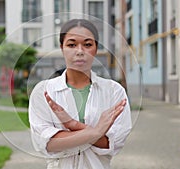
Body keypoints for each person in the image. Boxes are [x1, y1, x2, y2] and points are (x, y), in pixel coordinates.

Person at [29, 19, 132, 169]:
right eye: (71, 44)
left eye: (87, 44)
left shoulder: (114, 91)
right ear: (62, 48)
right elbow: (47, 143)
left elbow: (113, 143)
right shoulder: (43, 91)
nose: (80, 51)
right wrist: (97, 132)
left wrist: (73, 125)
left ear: (96, 49)